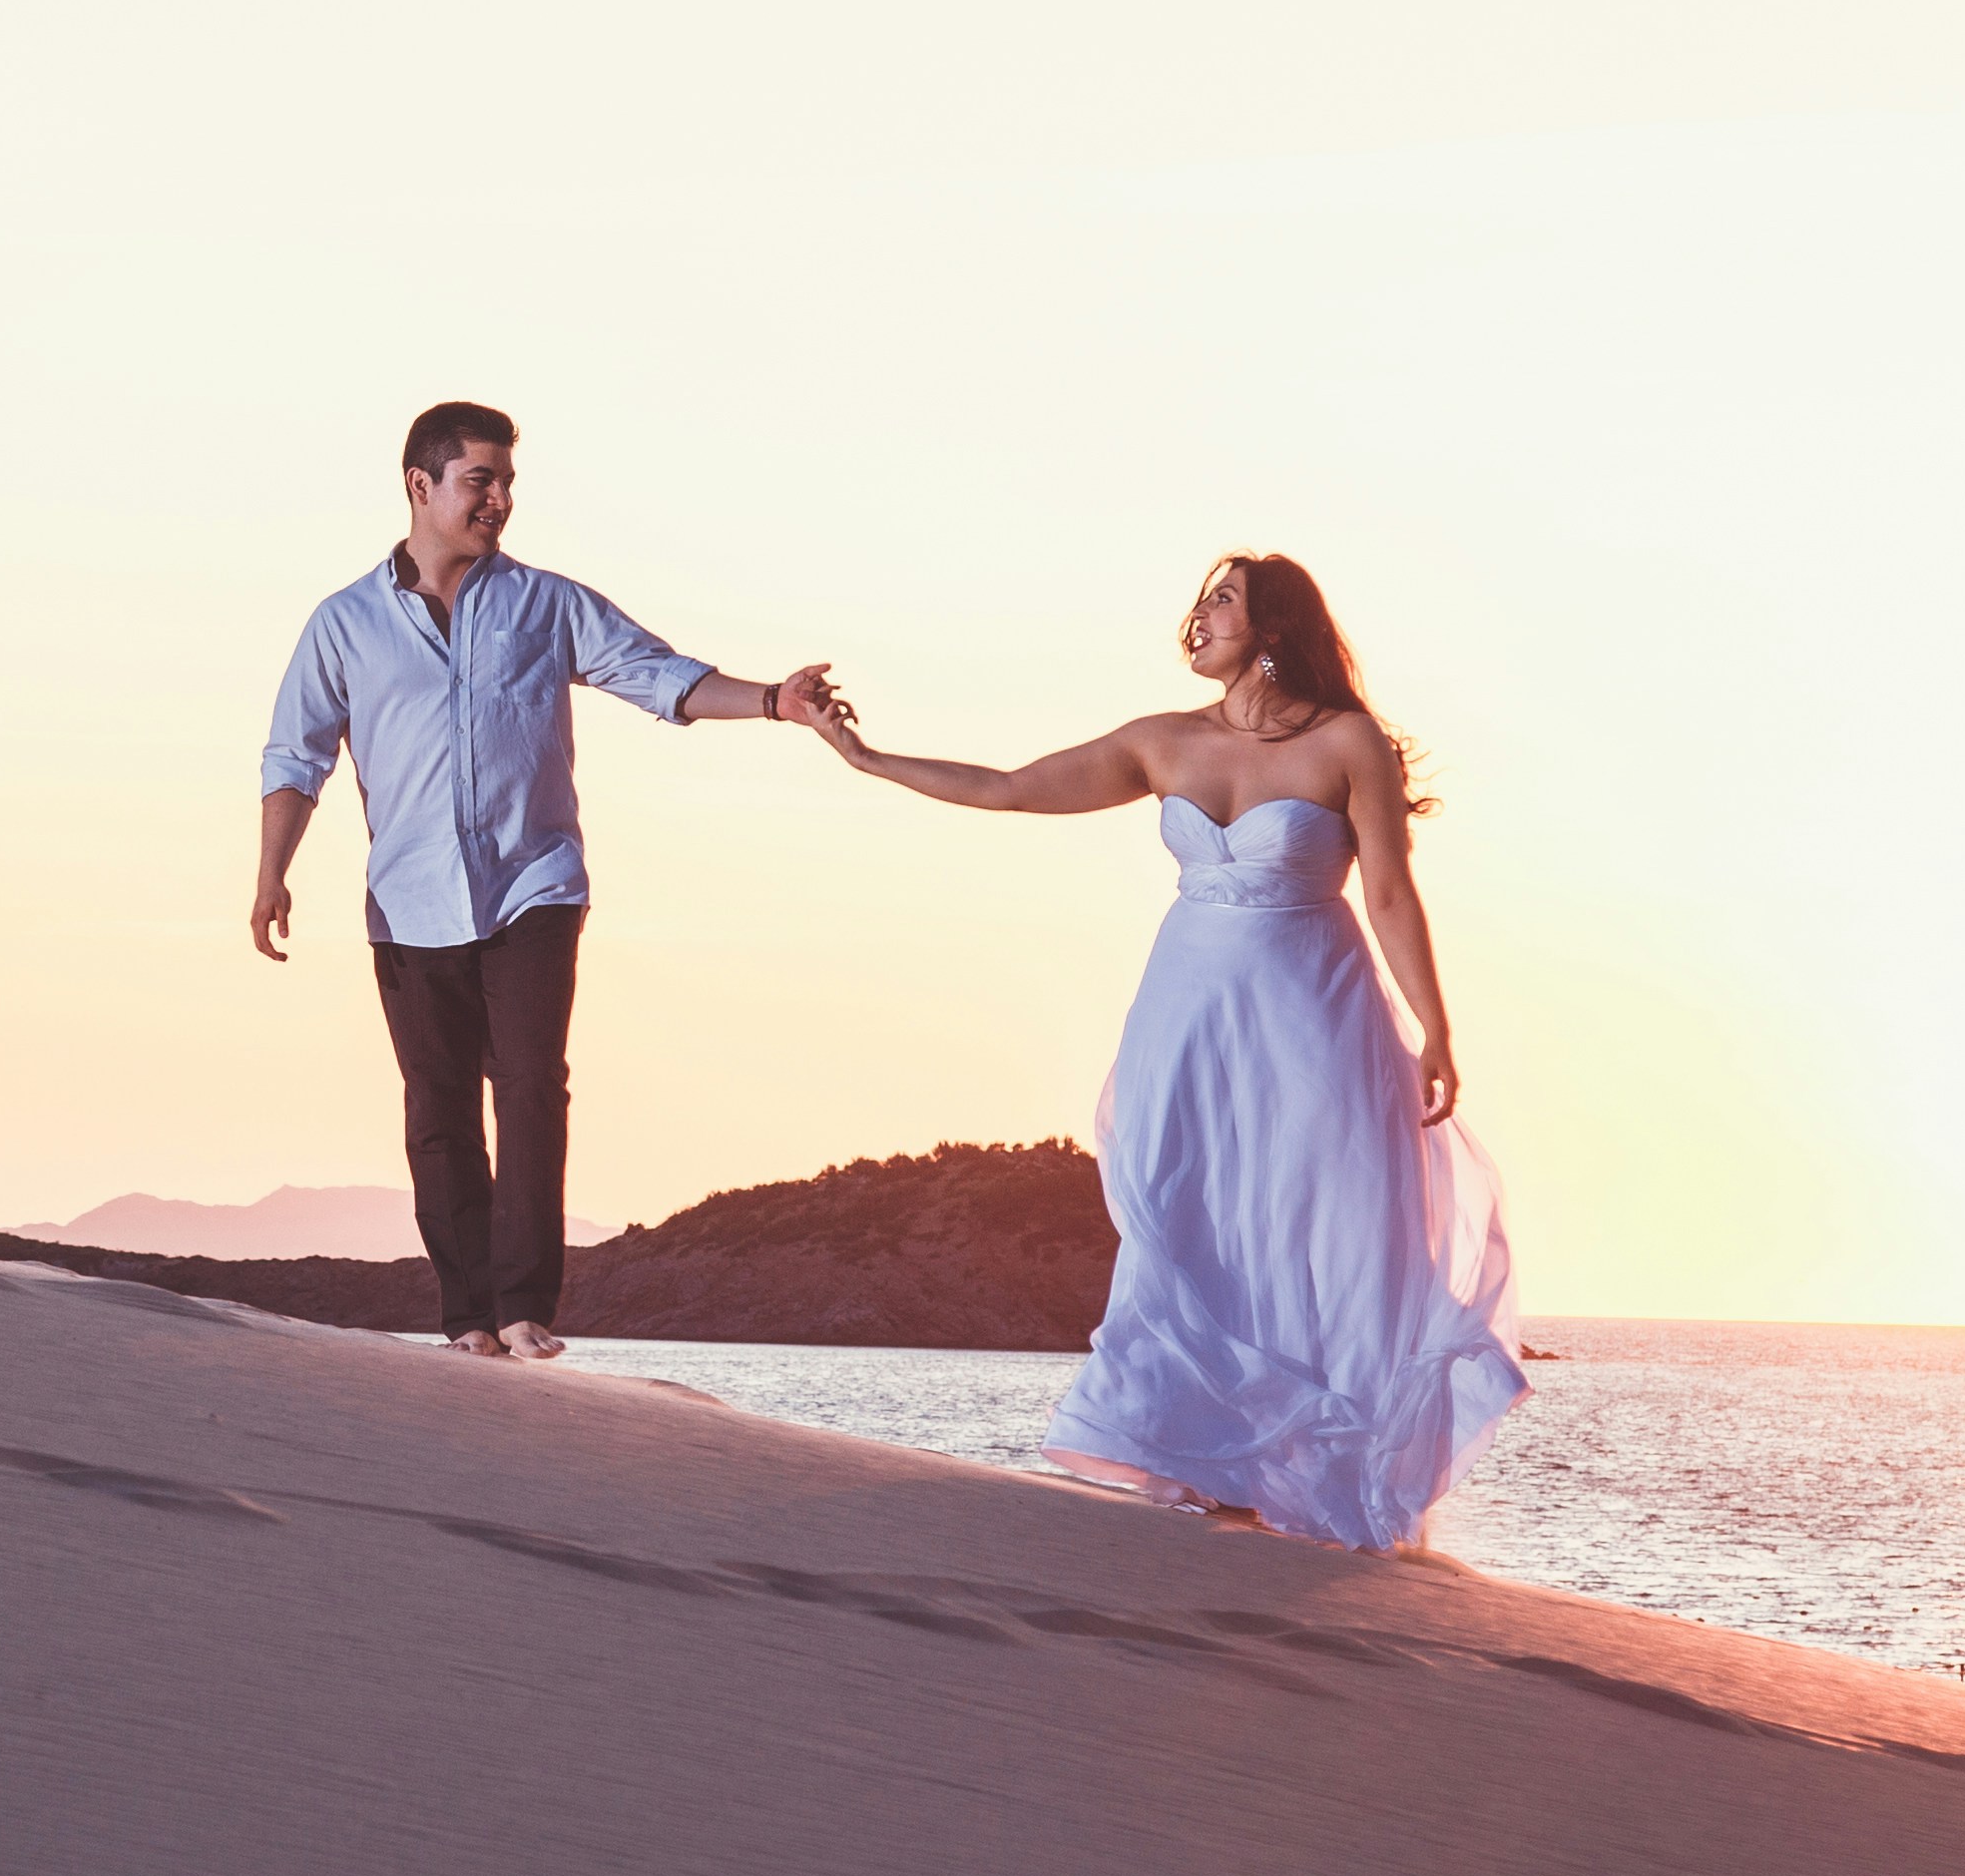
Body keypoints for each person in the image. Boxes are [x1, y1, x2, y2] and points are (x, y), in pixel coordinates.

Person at [802, 554, 1522, 1549]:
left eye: (1221, 602)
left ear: (1272, 630)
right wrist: (866, 757)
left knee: (1318, 1226)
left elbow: (1390, 890)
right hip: (1188, 1012)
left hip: (1315, 1009)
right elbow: (1010, 789)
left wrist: (1435, 1026)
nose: (1199, 618)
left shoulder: (1346, 742)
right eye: (1202, 602)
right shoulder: (1161, 743)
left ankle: (1315, 1469)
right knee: (1180, 1210)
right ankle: (1210, 1457)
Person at [253, 402, 831, 1360]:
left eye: (507, 482)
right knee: (436, 1111)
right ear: (421, 486)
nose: (500, 500)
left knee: (530, 1088)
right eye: (481, 480)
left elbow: (660, 676)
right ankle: (466, 1318)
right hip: (408, 900)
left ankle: (525, 1308)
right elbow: (294, 757)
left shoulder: (547, 604)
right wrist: (272, 874)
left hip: (535, 887)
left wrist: (775, 701)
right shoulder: (343, 624)